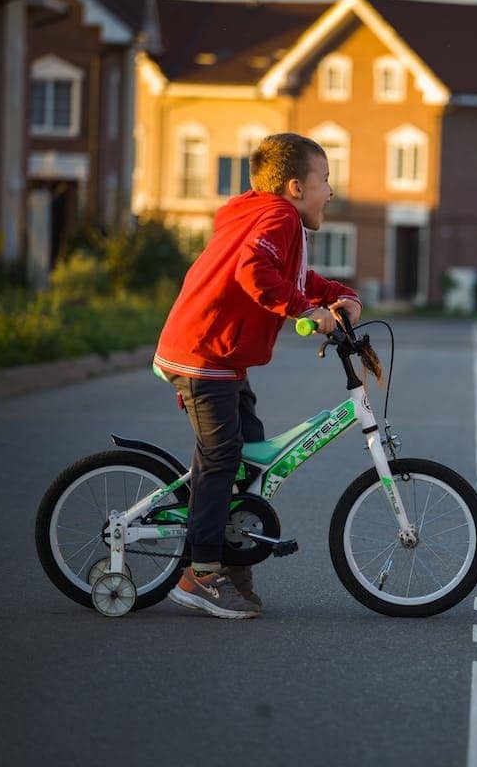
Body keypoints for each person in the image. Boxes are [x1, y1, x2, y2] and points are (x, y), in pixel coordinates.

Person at [154, 132, 361, 619]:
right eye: (324, 180)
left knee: (250, 458)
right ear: (295, 186)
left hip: (220, 358)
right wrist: (305, 311)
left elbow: (295, 277)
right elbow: (254, 270)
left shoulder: (270, 217)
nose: (330, 191)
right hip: (202, 356)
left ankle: (232, 553)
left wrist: (340, 294)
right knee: (223, 455)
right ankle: (200, 572)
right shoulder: (280, 216)